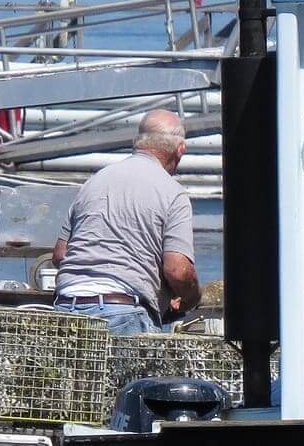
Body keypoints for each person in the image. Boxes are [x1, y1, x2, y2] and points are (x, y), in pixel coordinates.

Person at [51, 110, 201, 335]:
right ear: (180, 150)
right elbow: (178, 270)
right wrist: (191, 297)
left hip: (66, 305)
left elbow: (61, 255)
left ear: (136, 142)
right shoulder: (172, 192)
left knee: (75, 372)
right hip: (122, 311)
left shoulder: (93, 183)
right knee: (138, 372)